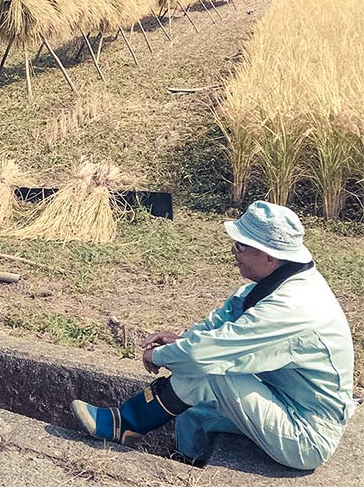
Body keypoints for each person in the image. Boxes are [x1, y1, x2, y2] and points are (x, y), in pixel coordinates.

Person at [72, 201, 356, 470]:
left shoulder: (293, 306)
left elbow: (204, 355)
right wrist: (181, 341)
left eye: (241, 245)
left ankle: (125, 422)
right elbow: (229, 316)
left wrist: (157, 355)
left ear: (269, 256)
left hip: (307, 436)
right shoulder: (282, 280)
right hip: (287, 403)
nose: (234, 251)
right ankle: (184, 468)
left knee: (212, 372)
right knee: (193, 412)